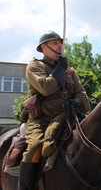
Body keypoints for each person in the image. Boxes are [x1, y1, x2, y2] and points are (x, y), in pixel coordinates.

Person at [20, 31, 91, 190]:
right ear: (43, 47)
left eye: (60, 42)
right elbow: (46, 88)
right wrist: (59, 68)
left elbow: (81, 93)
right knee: (35, 147)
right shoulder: (35, 66)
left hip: (68, 117)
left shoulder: (69, 70)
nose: (60, 45)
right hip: (42, 120)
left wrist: (77, 101)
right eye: (54, 43)